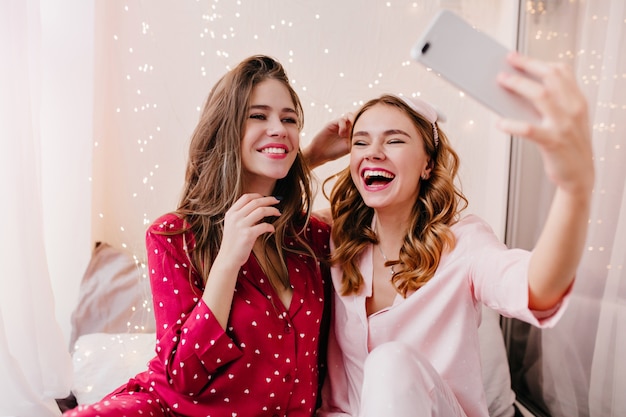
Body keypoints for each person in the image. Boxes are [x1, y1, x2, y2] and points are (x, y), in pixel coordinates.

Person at [64, 55, 351, 417]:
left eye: (289, 119)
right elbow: (184, 375)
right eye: (258, 116)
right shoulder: (174, 237)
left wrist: (309, 158)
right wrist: (228, 260)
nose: (278, 128)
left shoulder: (313, 239)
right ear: (227, 128)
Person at [315, 52, 594, 417]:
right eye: (361, 142)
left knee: (390, 362)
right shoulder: (335, 237)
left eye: (394, 141)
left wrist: (575, 189)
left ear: (428, 164)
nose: (374, 153)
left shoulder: (463, 244)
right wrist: (310, 157)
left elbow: (537, 289)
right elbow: (242, 221)